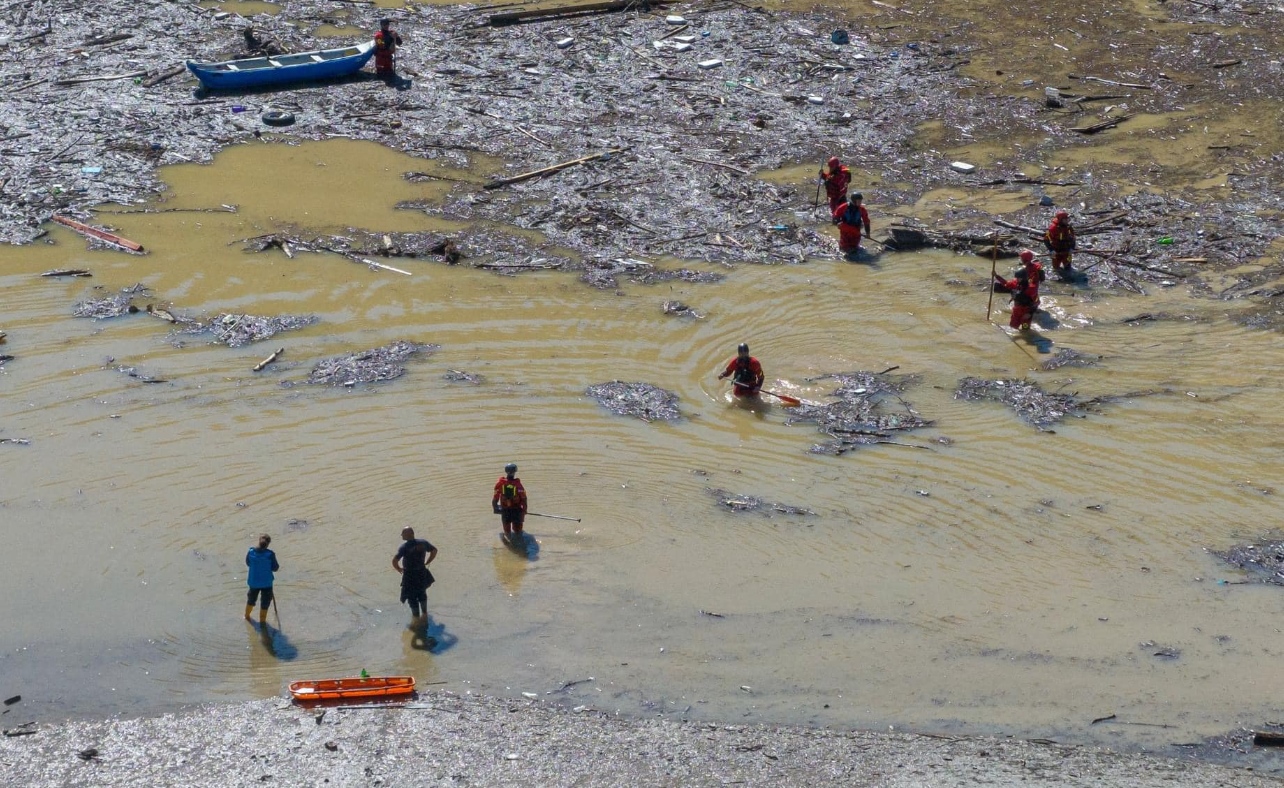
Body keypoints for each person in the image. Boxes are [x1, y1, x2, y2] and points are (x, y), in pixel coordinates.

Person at [392, 527, 437, 620]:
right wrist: (428, 561)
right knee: (422, 593)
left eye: (403, 533)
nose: (401, 535)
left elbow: (394, 560)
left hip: (410, 576)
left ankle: (416, 618)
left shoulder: (404, 547)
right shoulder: (423, 542)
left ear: (410, 534)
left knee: (411, 597)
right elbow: (434, 550)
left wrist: (399, 569)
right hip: (421, 572)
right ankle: (424, 613)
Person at [244, 534, 279, 625]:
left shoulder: (251, 552)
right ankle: (262, 622)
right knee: (265, 603)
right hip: (267, 583)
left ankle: (247, 617)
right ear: (268, 544)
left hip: (253, 582)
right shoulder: (270, 554)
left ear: (259, 541)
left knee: (251, 600)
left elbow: (248, 563)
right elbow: (275, 568)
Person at [492, 463, 528, 541]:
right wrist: (524, 511)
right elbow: (524, 499)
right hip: (517, 511)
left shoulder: (500, 483)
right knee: (518, 532)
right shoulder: (518, 485)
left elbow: (495, 499)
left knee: (507, 532)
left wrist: (496, 508)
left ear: (506, 471)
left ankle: (507, 543)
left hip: (505, 511)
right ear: (515, 472)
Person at [832, 193, 871, 257]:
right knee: (844, 246)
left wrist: (868, 233)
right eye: (859, 201)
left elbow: (866, 222)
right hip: (845, 230)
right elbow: (835, 219)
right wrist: (838, 223)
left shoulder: (862, 209)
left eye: (861, 201)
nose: (860, 202)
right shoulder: (843, 207)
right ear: (853, 200)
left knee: (855, 247)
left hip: (856, 231)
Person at [1043, 210, 1076, 277]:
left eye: (1067, 219)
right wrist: (1051, 250)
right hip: (1056, 250)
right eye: (1065, 219)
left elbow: (1073, 238)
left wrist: (1072, 248)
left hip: (1067, 250)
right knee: (1056, 268)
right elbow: (1046, 240)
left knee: (1068, 266)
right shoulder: (1053, 228)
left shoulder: (1069, 228)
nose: (1067, 221)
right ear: (1061, 220)